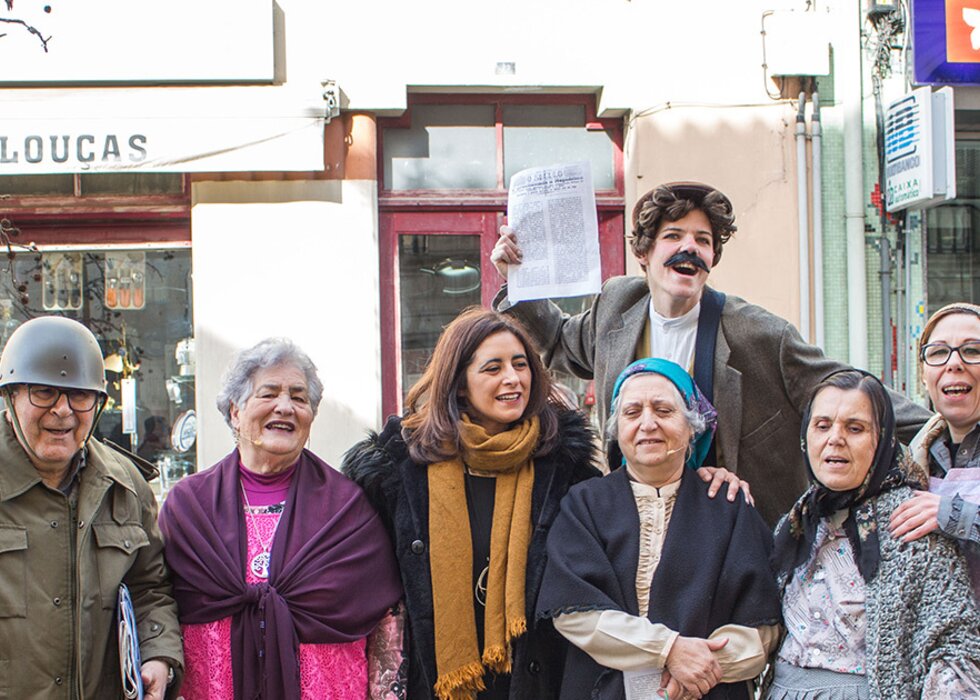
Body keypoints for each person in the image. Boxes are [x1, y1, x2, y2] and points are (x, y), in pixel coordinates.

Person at [491, 181, 931, 525]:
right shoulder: (617, 305)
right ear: (643, 253)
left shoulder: (757, 332)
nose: (690, 248)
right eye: (674, 236)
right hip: (636, 518)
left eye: (703, 240)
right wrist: (517, 280)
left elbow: (848, 391)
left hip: (735, 531)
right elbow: (557, 344)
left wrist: (942, 433)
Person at [343, 307, 601, 700]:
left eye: (520, 364)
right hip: (433, 683)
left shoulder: (565, 471)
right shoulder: (396, 471)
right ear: (460, 383)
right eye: (492, 368)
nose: (512, 379)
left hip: (531, 681)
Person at [159, 338, 404, 700]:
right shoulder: (188, 507)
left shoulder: (348, 508)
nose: (285, 407)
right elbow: (156, 600)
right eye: (269, 393)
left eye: (299, 398)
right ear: (235, 412)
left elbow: (387, 622)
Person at [537, 358, 781, 700]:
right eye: (632, 412)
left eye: (663, 410)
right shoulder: (585, 504)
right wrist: (669, 650)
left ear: (692, 427)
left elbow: (763, 630)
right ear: (616, 429)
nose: (647, 423)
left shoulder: (729, 506)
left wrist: (700, 670)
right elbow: (574, 614)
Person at [0, 315, 182, 699]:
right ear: (10, 396)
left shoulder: (125, 485)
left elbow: (150, 588)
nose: (63, 410)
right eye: (44, 392)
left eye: (80, 395)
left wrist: (157, 654)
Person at [768, 370, 980, 699]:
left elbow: (953, 646)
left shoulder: (912, 523)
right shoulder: (797, 522)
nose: (834, 438)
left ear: (881, 440)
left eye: (855, 428)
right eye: (822, 425)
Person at [890, 303, 980, 594]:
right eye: (939, 352)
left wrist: (953, 515)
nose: (954, 363)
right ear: (924, 376)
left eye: (973, 350)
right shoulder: (911, 461)